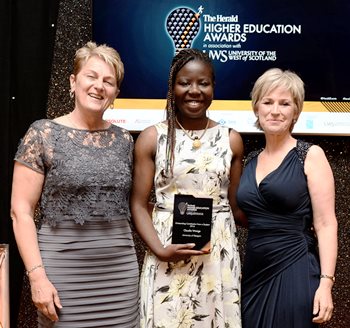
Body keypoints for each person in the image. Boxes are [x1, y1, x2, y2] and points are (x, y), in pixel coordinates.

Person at [10, 42, 139, 327]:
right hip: (62, 273)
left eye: (108, 81)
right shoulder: (43, 133)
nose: (99, 86)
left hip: (119, 275)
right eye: (91, 76)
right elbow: (20, 211)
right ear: (73, 81)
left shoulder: (125, 140)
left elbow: (132, 204)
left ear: (116, 93)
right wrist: (37, 276)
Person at [131, 48, 245, 327]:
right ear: (172, 87)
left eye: (203, 83)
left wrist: (288, 222)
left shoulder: (231, 140)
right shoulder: (151, 138)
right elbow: (137, 204)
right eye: (185, 83)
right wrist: (159, 249)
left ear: (213, 87)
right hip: (166, 253)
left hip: (217, 257)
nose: (194, 90)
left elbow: (237, 208)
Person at [236, 68, 338, 327]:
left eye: (285, 103)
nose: (275, 110)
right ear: (256, 107)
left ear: (296, 111)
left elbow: (326, 224)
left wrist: (326, 283)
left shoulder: (310, 155)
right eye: (268, 102)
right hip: (255, 271)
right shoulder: (250, 162)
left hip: (295, 266)